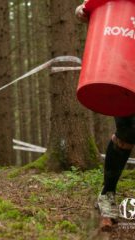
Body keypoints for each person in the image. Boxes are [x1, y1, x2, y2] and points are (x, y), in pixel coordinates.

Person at [76, 2, 133, 223]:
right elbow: (93, 6)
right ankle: (107, 195)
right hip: (125, 67)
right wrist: (83, 10)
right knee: (128, 131)